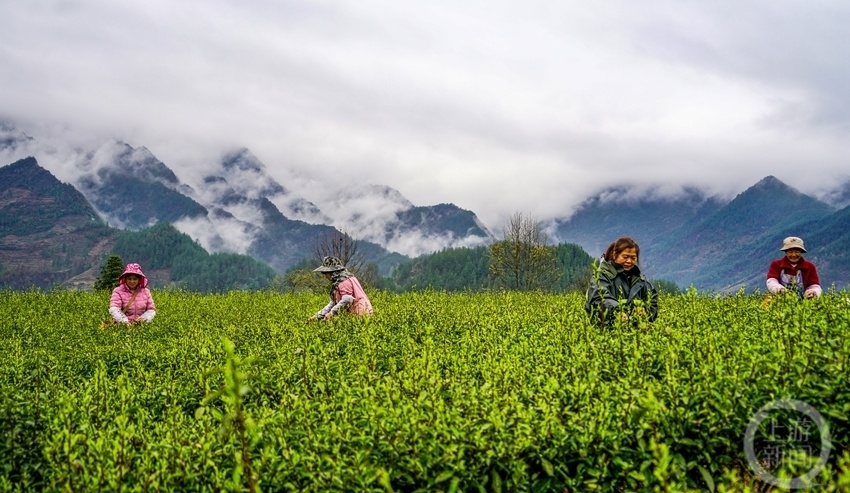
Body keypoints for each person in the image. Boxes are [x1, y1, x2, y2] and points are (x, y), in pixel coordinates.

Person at [585, 237, 658, 327]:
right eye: (625, 257)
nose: (629, 261)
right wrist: (617, 311)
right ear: (615, 255)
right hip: (606, 332)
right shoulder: (602, 275)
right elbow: (599, 297)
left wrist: (645, 311)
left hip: (635, 335)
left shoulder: (640, 281)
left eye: (633, 258)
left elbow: (653, 298)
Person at [308, 256, 373, 321]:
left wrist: (331, 313)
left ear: (333, 272)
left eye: (325, 273)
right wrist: (316, 317)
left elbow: (347, 299)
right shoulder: (342, 281)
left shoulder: (344, 281)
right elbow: (333, 303)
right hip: (358, 314)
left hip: (360, 314)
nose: (325, 276)